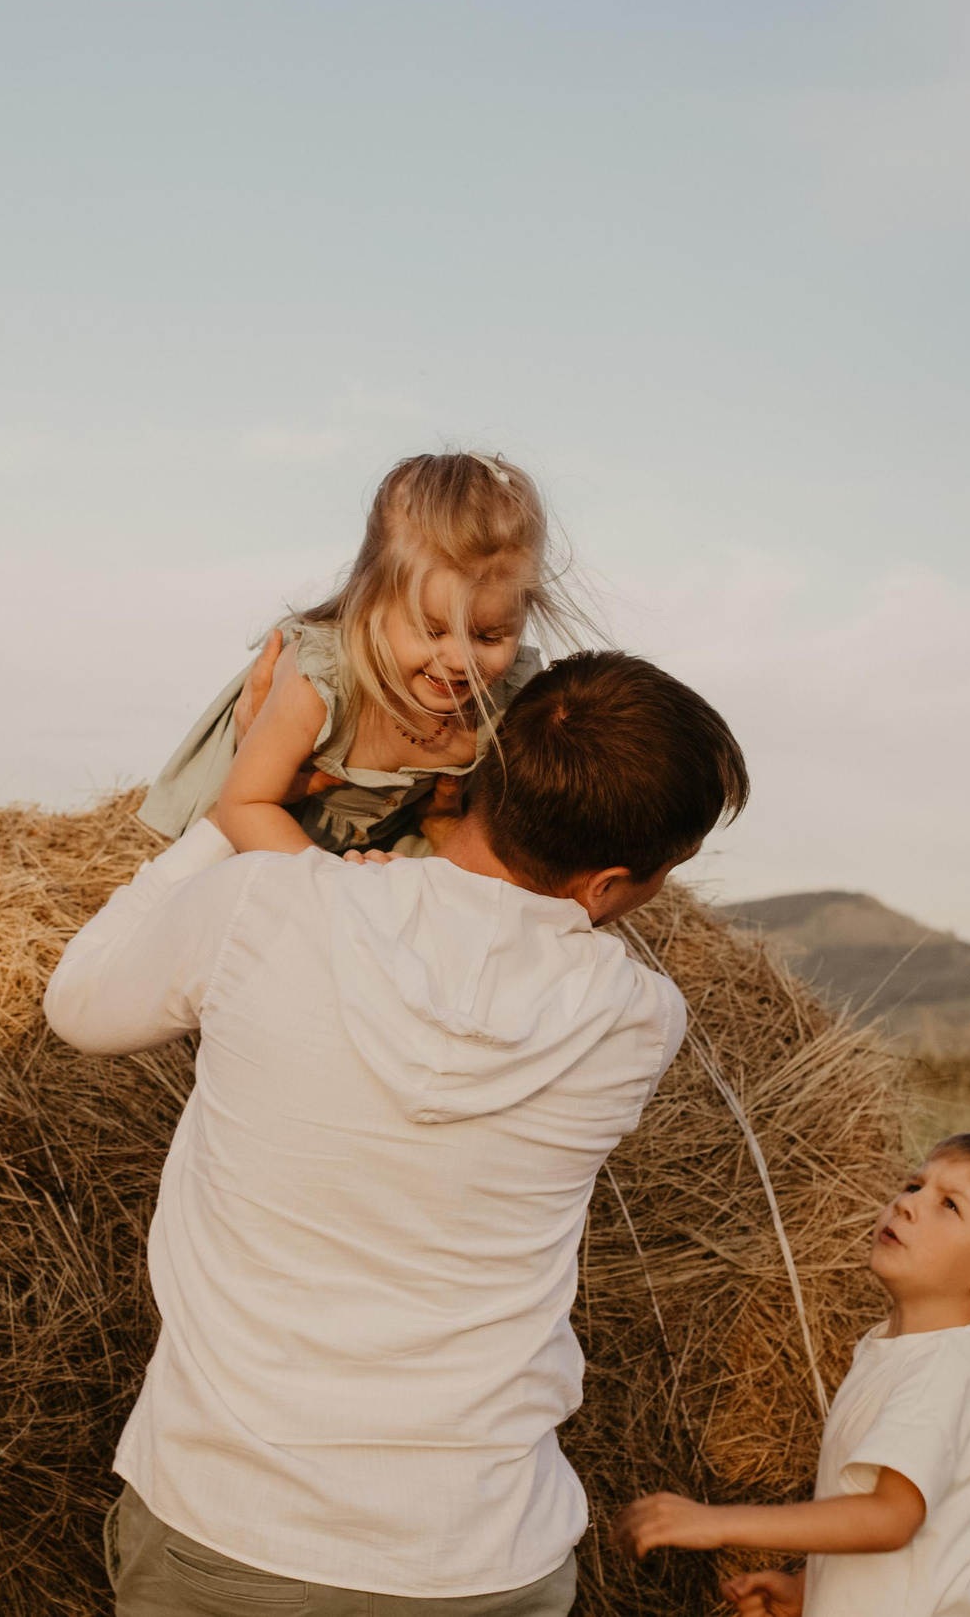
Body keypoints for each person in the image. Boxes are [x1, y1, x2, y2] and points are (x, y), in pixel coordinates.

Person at [47, 650, 750, 1615]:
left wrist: (232, 809)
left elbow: (79, 1005)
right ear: (611, 885)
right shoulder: (638, 1019)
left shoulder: (267, 904)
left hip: (234, 1524)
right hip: (484, 1552)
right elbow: (518, 939)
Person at [610, 1134, 970, 1617]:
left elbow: (890, 1518)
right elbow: (890, 1530)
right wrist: (809, 1590)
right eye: (914, 1185)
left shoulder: (946, 1369)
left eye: (949, 1205)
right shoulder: (903, 1353)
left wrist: (716, 1523)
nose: (907, 1204)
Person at [140, 450, 586, 857]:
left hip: (390, 844)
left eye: (489, 637)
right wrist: (335, 889)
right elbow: (245, 805)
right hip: (265, 833)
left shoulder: (510, 700)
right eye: (431, 630)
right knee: (186, 893)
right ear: (369, 602)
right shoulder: (321, 683)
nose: (459, 660)